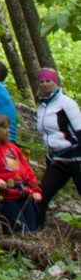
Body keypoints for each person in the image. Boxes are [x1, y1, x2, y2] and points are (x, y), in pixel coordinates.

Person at [34, 66, 81, 226]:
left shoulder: (66, 103)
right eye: (42, 81)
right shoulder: (41, 107)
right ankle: (36, 233)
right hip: (57, 159)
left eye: (48, 81)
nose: (45, 84)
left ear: (55, 82)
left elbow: (79, 129)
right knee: (41, 196)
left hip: (75, 155)